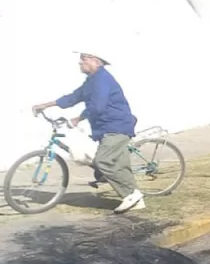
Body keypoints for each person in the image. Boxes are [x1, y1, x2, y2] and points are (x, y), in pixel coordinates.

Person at [32, 51, 143, 213]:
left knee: (103, 161)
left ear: (96, 61)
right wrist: (46, 105)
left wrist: (78, 119)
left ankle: (131, 195)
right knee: (119, 165)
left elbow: (98, 106)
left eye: (83, 60)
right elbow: (73, 97)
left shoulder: (102, 79)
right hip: (106, 127)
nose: (80, 63)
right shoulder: (91, 81)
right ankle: (136, 200)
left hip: (116, 126)